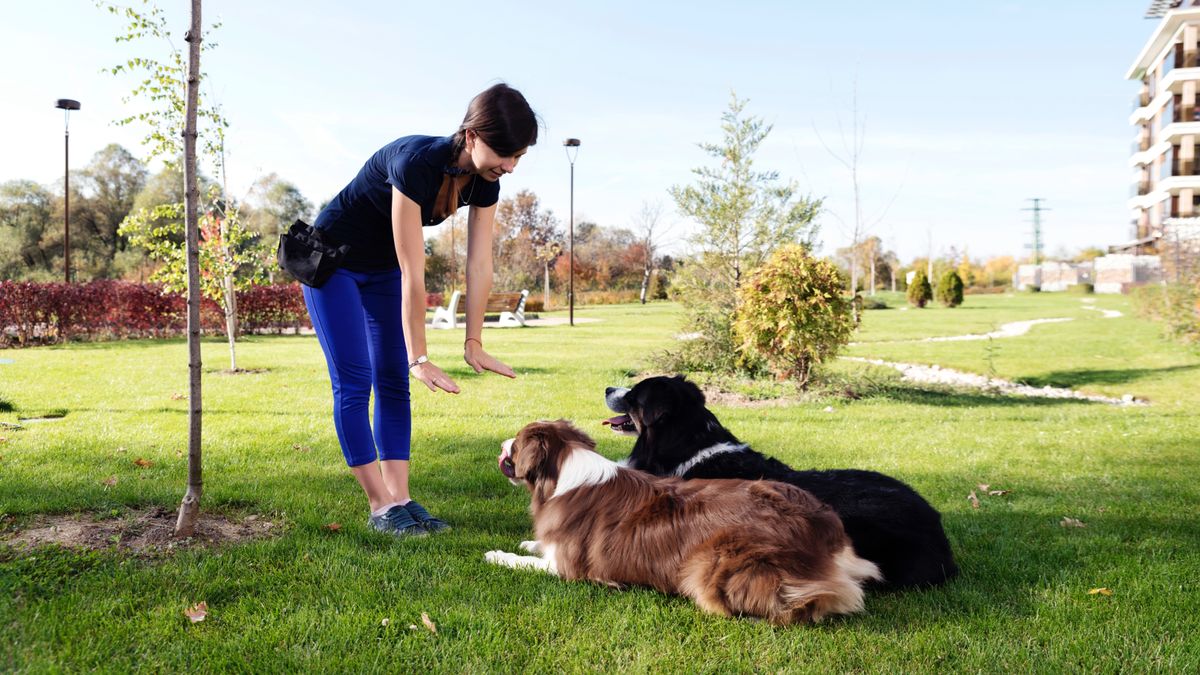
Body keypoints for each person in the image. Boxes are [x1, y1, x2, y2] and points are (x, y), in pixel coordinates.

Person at [303, 83, 537, 537]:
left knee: (393, 382)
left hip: (381, 269)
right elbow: (415, 269)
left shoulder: (485, 182)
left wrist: (475, 341)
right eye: (504, 153)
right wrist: (421, 357)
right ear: (471, 136)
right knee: (355, 381)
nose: (509, 166)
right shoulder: (415, 162)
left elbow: (479, 262)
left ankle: (402, 499)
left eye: (518, 157)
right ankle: (379, 505)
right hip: (333, 264)